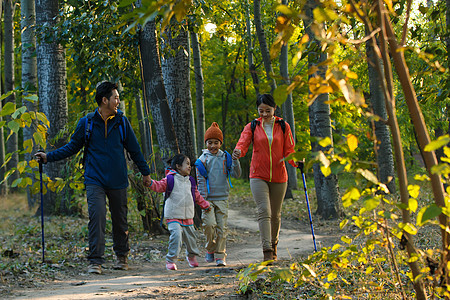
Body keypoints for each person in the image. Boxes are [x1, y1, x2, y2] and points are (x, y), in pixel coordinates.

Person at [34, 81, 151, 274]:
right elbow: (72, 147)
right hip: (94, 178)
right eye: (115, 98)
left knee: (120, 220)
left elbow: (134, 150)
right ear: (104, 100)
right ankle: (95, 261)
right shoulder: (86, 123)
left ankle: (122, 256)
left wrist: (145, 173)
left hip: (118, 179)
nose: (118, 101)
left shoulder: (122, 122)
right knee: (97, 216)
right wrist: (48, 157)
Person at [232, 94, 296, 262]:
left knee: (275, 214)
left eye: (268, 110)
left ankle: (274, 244)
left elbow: (290, 150)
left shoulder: (283, 126)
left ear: (274, 109)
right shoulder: (252, 126)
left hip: (279, 175)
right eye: (261, 111)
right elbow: (243, 143)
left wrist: (297, 162)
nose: (265, 114)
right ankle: (266, 249)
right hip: (257, 174)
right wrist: (238, 151)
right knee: (264, 211)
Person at [148, 154, 211, 271]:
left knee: (191, 239)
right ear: (178, 166)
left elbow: (197, 196)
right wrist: (150, 183)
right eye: (186, 164)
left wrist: (205, 205)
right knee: (176, 236)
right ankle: (171, 260)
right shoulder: (170, 179)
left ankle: (191, 256)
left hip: (188, 216)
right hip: (173, 215)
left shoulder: (191, 181)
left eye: (189, 164)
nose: (189, 166)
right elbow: (159, 185)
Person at [195, 122, 241, 267]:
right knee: (209, 225)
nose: (213, 146)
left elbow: (236, 174)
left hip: (222, 198)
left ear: (220, 143)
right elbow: (200, 181)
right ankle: (210, 249)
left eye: (216, 142)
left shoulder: (226, 157)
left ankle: (220, 255)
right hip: (207, 200)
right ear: (206, 143)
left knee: (222, 228)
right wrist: (203, 201)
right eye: (210, 142)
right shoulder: (201, 160)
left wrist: (235, 160)